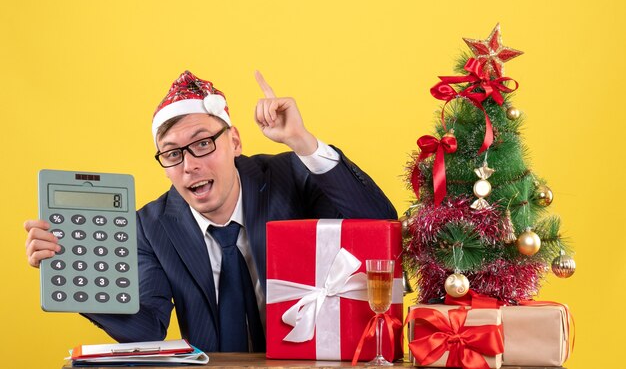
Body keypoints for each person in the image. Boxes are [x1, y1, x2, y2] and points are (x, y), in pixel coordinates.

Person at [24, 70, 397, 353]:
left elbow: (380, 222)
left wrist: (304, 142)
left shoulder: (289, 174)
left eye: (202, 143)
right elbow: (147, 328)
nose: (189, 165)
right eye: (172, 153)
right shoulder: (150, 226)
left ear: (234, 141)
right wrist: (73, 276)